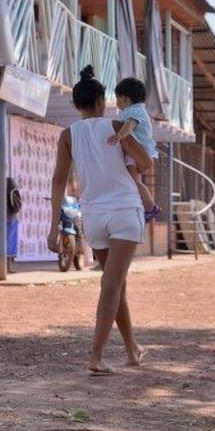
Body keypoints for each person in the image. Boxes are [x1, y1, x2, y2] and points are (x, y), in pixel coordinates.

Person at [48, 66, 152, 376]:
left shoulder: (68, 135)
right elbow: (145, 162)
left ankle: (132, 349)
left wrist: (53, 224)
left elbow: (58, 181)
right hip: (123, 211)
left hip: (93, 215)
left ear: (78, 105)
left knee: (114, 283)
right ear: (101, 101)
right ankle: (96, 355)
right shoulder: (118, 125)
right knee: (112, 283)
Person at [107, 77, 161, 221]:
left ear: (124, 98)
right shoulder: (138, 110)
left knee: (134, 182)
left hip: (138, 150)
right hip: (137, 150)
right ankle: (146, 207)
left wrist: (119, 136)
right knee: (133, 181)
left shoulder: (135, 111)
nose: (117, 103)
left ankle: (151, 207)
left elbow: (130, 125)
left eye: (117, 99)